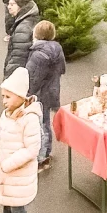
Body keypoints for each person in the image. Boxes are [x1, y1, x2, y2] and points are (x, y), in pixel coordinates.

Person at [0, 67, 42, 213]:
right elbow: (0, 139)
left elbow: (32, 149)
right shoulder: (6, 115)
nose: (4, 101)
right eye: (3, 96)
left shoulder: (30, 118)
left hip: (19, 177)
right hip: (7, 177)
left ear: (20, 97)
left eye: (8, 97)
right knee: (7, 208)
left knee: (17, 211)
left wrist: (7, 164)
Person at [26, 21, 64, 172]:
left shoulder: (39, 54)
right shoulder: (57, 49)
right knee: (46, 123)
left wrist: (27, 94)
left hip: (40, 94)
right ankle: (46, 153)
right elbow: (61, 70)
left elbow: (32, 78)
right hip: (51, 91)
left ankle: (41, 158)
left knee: (40, 125)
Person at [4, 0, 40, 78]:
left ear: (22, 6)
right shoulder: (30, 20)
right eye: (8, 4)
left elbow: (18, 59)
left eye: (12, 4)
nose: (9, 7)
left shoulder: (22, 29)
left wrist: (8, 78)